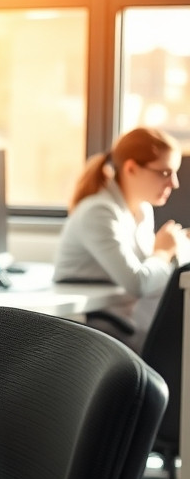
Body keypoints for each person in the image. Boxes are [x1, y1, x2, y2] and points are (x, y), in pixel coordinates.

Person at [54, 127, 188, 350]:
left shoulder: (143, 210)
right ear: (131, 168)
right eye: (165, 173)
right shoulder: (98, 212)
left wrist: (177, 249)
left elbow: (152, 273)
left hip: (128, 318)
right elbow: (138, 283)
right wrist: (163, 252)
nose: (174, 183)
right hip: (105, 330)